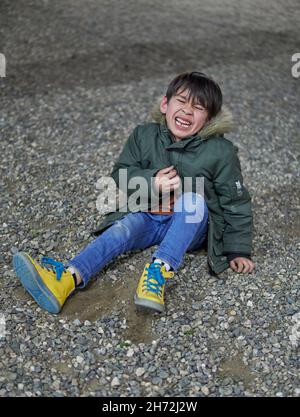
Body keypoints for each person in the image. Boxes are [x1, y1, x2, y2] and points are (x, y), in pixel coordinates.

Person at [13, 71, 254, 315]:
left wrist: (237, 249)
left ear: (209, 119)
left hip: (192, 227)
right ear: (164, 104)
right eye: (181, 101)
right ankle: (66, 279)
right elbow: (120, 173)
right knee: (123, 229)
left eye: (198, 107)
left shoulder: (221, 152)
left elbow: (236, 202)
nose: (188, 111)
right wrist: (152, 182)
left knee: (192, 200)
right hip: (152, 214)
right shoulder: (143, 135)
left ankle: (158, 270)